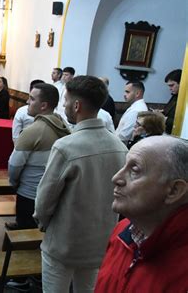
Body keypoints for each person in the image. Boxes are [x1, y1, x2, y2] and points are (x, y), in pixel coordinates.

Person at [34, 76, 128, 293]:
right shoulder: (119, 146)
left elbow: (45, 199)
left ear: (77, 105)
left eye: (66, 100)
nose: (64, 105)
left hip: (64, 244)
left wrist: (43, 223)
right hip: (100, 242)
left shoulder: (66, 146)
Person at [95, 136, 188, 292]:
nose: (116, 178)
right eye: (124, 166)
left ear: (174, 191)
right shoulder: (123, 231)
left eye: (135, 170)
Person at [7, 83, 70, 231]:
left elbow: (14, 165)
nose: (27, 102)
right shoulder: (64, 126)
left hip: (29, 194)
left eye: (31, 99)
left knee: (25, 235)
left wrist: (14, 181)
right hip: (55, 194)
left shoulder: (32, 131)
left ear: (43, 106)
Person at [161, 69, 182, 134]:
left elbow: (182, 123)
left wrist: (164, 119)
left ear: (181, 83)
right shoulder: (175, 95)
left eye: (172, 85)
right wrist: (162, 112)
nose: (170, 88)